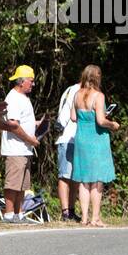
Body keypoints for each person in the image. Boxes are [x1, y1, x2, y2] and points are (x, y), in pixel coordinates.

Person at [71, 65, 120, 227]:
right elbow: (100, 121)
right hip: (96, 139)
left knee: (84, 180)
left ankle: (84, 218)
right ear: (97, 77)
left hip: (81, 138)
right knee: (97, 180)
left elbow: (73, 117)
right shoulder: (98, 96)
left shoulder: (76, 94)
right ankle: (95, 218)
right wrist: (112, 124)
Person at [0, 65, 44, 222]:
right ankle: (9, 214)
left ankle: (18, 214)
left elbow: (22, 121)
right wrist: (30, 139)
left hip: (24, 149)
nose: (33, 84)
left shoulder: (22, 98)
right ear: (21, 82)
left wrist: (37, 123)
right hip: (15, 148)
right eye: (31, 81)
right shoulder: (13, 98)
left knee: (22, 184)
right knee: (13, 183)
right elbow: (13, 124)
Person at [54, 78, 82, 222]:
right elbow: (66, 113)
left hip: (77, 139)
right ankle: (65, 211)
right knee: (65, 176)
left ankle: (72, 210)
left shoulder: (79, 90)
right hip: (67, 137)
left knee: (75, 177)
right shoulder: (74, 90)